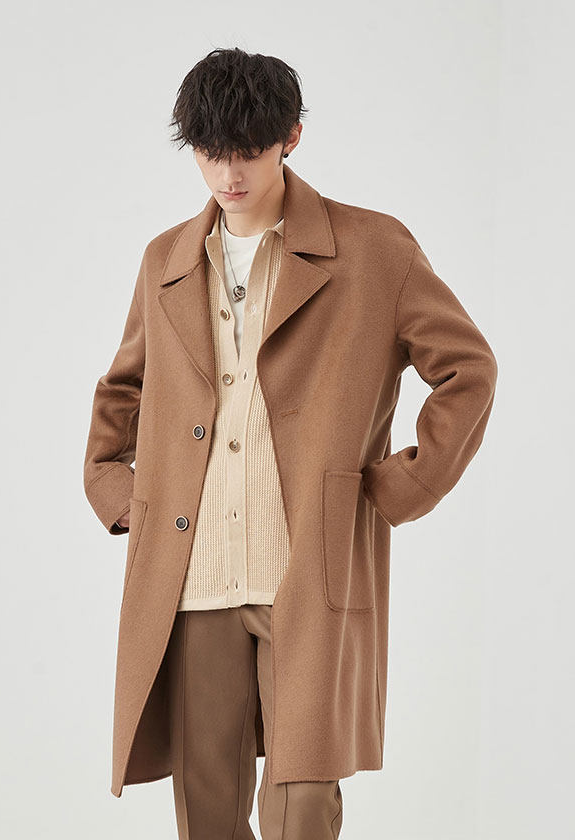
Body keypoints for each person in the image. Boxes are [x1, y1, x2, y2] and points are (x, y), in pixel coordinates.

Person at [83, 46, 497, 840]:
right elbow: (121, 390)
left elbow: (468, 369)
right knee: (207, 807)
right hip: (194, 573)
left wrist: (399, 488)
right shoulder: (166, 260)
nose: (227, 173)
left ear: (290, 138)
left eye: (247, 150)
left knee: (303, 802)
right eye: (210, 151)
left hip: (307, 563)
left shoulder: (375, 249)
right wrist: (119, 492)